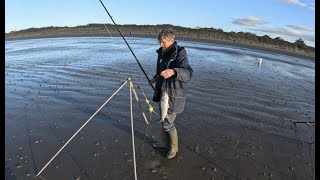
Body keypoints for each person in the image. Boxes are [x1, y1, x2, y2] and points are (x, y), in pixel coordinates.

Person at [150, 28, 193, 159]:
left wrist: (174, 71)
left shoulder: (180, 52)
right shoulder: (161, 52)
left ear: (171, 40)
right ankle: (165, 144)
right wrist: (155, 78)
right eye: (159, 41)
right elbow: (161, 71)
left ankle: (174, 148)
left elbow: (188, 73)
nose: (161, 45)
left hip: (174, 96)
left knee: (168, 123)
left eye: (163, 42)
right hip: (163, 92)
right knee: (164, 121)